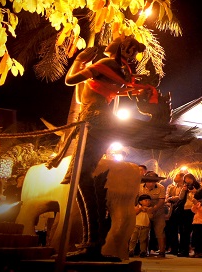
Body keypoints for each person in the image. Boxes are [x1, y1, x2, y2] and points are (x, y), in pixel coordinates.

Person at [47, 36, 149, 260]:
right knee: (82, 178)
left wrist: (78, 60)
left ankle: (93, 241)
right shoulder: (114, 68)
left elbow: (70, 80)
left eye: (122, 42)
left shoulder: (107, 65)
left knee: (81, 176)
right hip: (94, 119)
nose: (113, 41)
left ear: (122, 48)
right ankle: (93, 241)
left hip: (96, 120)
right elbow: (86, 94)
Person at [140, 171, 167, 258]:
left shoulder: (161, 188)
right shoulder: (139, 187)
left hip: (158, 212)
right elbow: (136, 199)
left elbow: (161, 201)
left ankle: (162, 251)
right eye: (149, 181)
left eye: (153, 182)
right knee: (144, 231)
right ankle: (143, 250)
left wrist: (154, 208)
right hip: (143, 211)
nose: (150, 184)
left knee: (160, 230)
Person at [176, 173, 201, 257]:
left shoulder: (199, 186)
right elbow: (180, 198)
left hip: (196, 210)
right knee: (184, 231)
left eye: (189, 179)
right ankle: (184, 250)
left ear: (193, 179)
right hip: (185, 210)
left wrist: (195, 191)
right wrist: (183, 190)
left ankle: (196, 250)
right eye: (186, 180)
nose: (188, 181)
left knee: (195, 231)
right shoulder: (184, 187)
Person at [165, 171, 185, 255]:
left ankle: (182, 249)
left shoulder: (184, 187)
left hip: (182, 209)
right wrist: (171, 198)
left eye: (177, 176)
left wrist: (172, 198)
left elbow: (181, 198)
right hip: (172, 209)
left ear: (181, 178)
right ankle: (173, 248)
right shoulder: (171, 186)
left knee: (182, 230)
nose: (175, 177)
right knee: (172, 229)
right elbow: (167, 197)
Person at [129, 194, 153, 258]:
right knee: (133, 239)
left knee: (143, 240)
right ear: (140, 201)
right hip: (136, 225)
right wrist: (140, 209)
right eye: (146, 200)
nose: (148, 202)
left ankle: (143, 251)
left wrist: (148, 211)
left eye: (149, 200)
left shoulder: (150, 209)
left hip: (145, 226)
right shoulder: (137, 207)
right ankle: (131, 250)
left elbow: (151, 217)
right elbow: (134, 213)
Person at [190, 189, 202, 258]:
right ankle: (196, 251)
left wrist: (198, 205)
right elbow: (193, 210)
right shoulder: (198, 203)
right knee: (195, 237)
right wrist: (195, 204)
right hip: (196, 222)